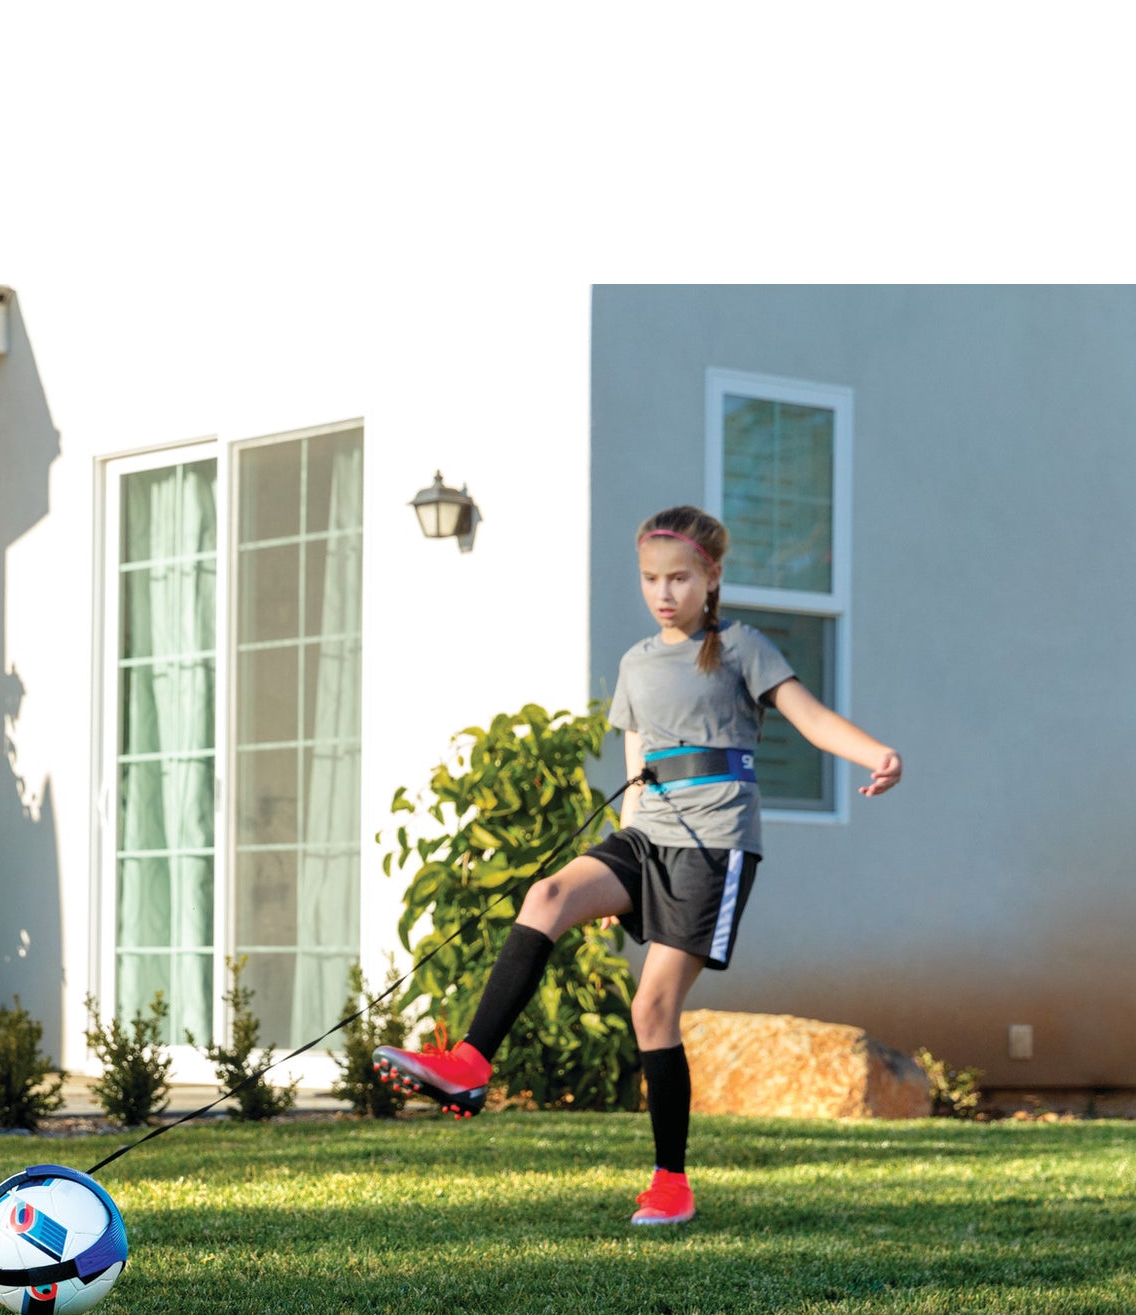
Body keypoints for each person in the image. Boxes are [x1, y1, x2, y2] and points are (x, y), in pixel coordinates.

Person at [373, 503, 902, 1226]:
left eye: (680, 578)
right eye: (652, 579)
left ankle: (671, 1183)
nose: (664, 593)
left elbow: (808, 717)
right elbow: (637, 757)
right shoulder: (636, 662)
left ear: (711, 578)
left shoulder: (743, 648)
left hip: (714, 845)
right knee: (549, 893)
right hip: (645, 834)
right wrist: (622, 863)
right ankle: (469, 1065)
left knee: (653, 1009)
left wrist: (876, 754)